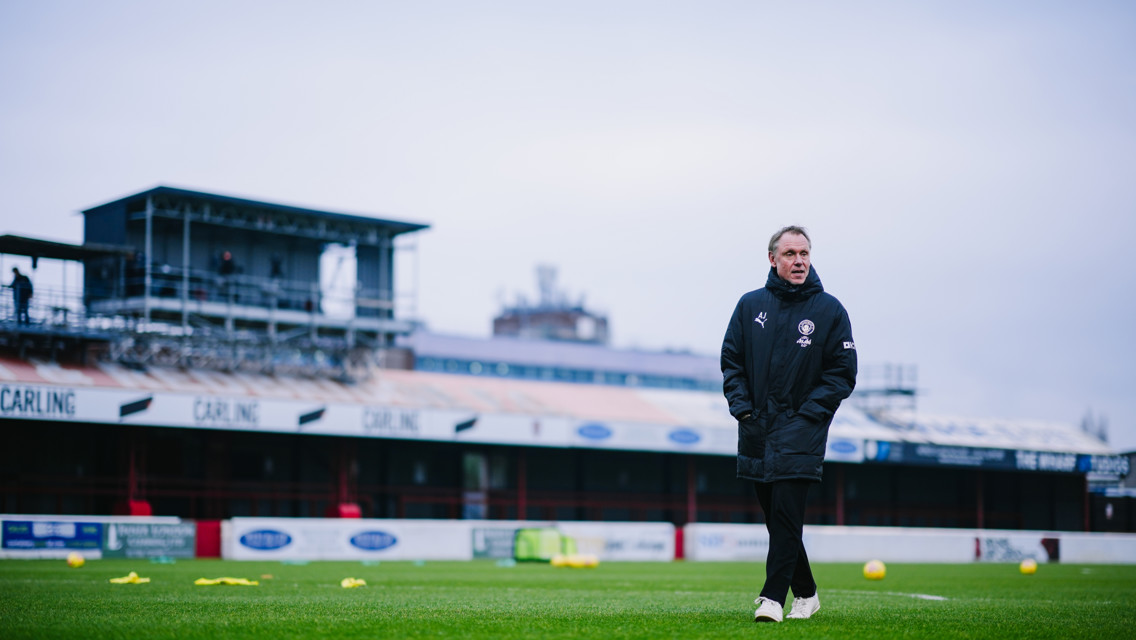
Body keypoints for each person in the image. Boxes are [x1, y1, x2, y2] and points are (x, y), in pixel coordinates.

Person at [720, 226, 857, 623]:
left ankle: (771, 599)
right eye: (791, 253)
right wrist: (743, 410)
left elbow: (842, 373)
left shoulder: (830, 310)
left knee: (785, 514)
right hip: (757, 428)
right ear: (773, 259)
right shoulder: (749, 306)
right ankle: (808, 594)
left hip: (802, 430)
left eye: (805, 253)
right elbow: (732, 362)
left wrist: (809, 415)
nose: (799, 261)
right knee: (777, 518)